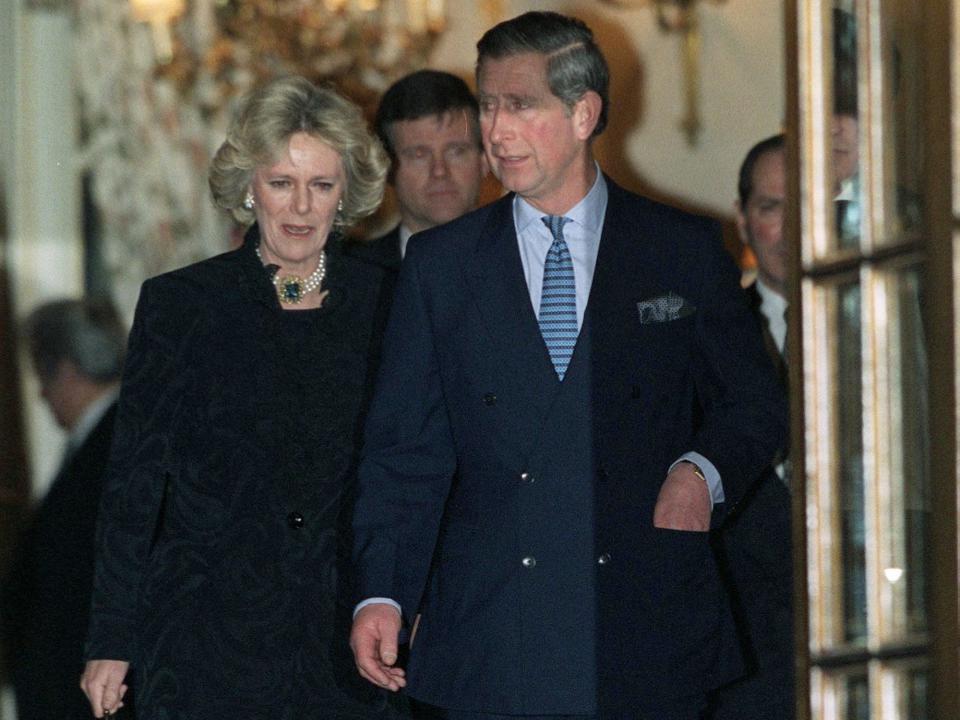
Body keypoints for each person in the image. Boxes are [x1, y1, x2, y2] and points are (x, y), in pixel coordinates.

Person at [349, 12, 787, 720]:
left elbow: (755, 404)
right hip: (493, 637)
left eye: (518, 105)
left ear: (583, 113)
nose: (495, 130)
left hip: (645, 629)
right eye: (487, 105)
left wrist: (701, 474)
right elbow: (404, 454)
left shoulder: (680, 248)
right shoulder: (440, 268)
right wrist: (381, 592)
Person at [79, 75, 403, 720]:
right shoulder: (181, 304)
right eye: (281, 182)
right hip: (203, 638)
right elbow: (134, 483)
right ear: (249, 189)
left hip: (344, 639)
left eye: (321, 185)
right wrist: (110, 640)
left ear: (347, 195)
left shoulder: (389, 305)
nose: (301, 207)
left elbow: (408, 471)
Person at [2, 298, 128, 720]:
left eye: (42, 375)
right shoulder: (107, 440)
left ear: (67, 370)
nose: (39, 394)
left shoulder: (112, 447)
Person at [705, 133, 795, 720]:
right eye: (771, 208)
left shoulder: (906, 319)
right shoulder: (704, 339)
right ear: (742, 219)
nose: (793, 227)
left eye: (812, 201)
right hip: (750, 647)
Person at [353, 69, 488, 268]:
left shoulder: (529, 264)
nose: (440, 171)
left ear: (485, 160)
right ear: (387, 168)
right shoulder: (351, 276)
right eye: (419, 155)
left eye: (456, 151)